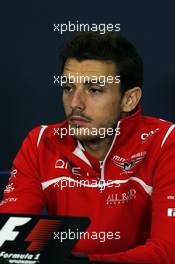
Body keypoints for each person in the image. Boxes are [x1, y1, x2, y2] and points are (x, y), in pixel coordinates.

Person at [0, 31, 175, 264]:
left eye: (94, 90)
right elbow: (11, 248)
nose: (75, 103)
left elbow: (169, 251)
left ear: (129, 99)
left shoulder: (165, 141)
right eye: (68, 88)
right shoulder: (41, 142)